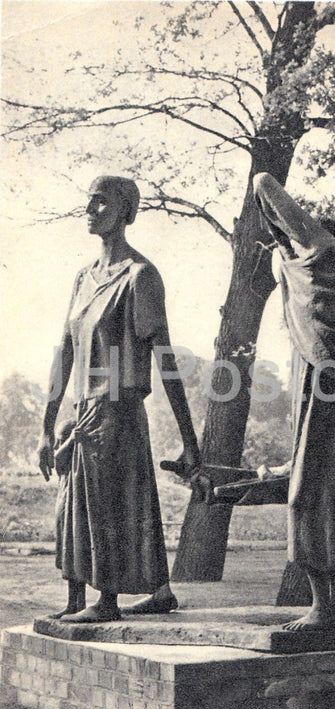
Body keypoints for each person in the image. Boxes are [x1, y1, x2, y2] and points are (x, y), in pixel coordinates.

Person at [37, 175, 200, 622]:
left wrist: (191, 441)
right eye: (88, 202)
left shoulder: (139, 276)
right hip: (82, 414)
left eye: (101, 202)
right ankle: (81, 600)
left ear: (125, 211)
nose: (90, 210)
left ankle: (105, 602)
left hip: (119, 414)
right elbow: (65, 352)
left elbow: (165, 360)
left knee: (109, 506)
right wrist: (47, 427)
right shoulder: (83, 278)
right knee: (72, 507)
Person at [253, 172, 335, 630]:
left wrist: (279, 218)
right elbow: (283, 246)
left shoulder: (325, 254)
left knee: (307, 497)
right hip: (327, 385)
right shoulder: (311, 275)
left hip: (327, 384)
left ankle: (322, 608)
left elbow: (264, 184)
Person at [50, 418, 86, 619]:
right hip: (65, 512)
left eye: (59, 439)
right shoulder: (66, 460)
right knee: (68, 558)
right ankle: (73, 603)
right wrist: (71, 440)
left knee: (77, 557)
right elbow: (56, 460)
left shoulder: (82, 462)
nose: (57, 444)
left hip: (77, 513)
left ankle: (78, 603)